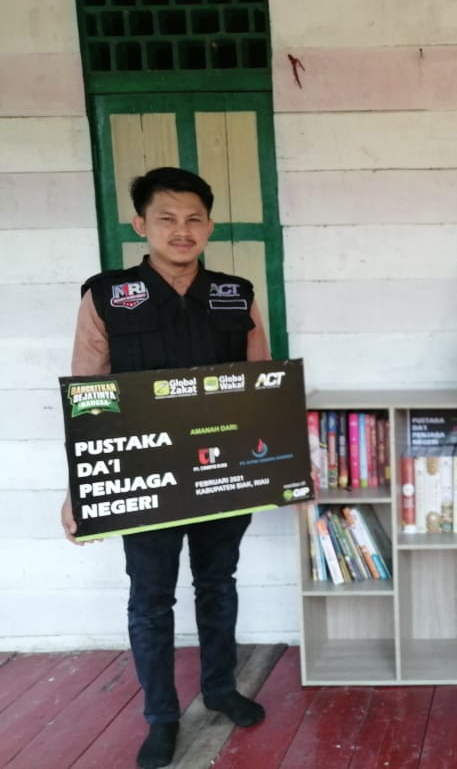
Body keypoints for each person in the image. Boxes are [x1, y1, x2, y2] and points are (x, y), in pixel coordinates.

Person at [59, 167, 270, 769]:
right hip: (144, 477)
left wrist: (280, 470)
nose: (182, 230)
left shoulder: (236, 294)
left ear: (210, 225)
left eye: (194, 218)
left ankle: (220, 688)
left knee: (218, 583)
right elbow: (88, 397)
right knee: (150, 598)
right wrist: (80, 488)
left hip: (220, 472)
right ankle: (161, 716)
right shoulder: (107, 297)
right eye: (166, 218)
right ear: (140, 225)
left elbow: (262, 387)